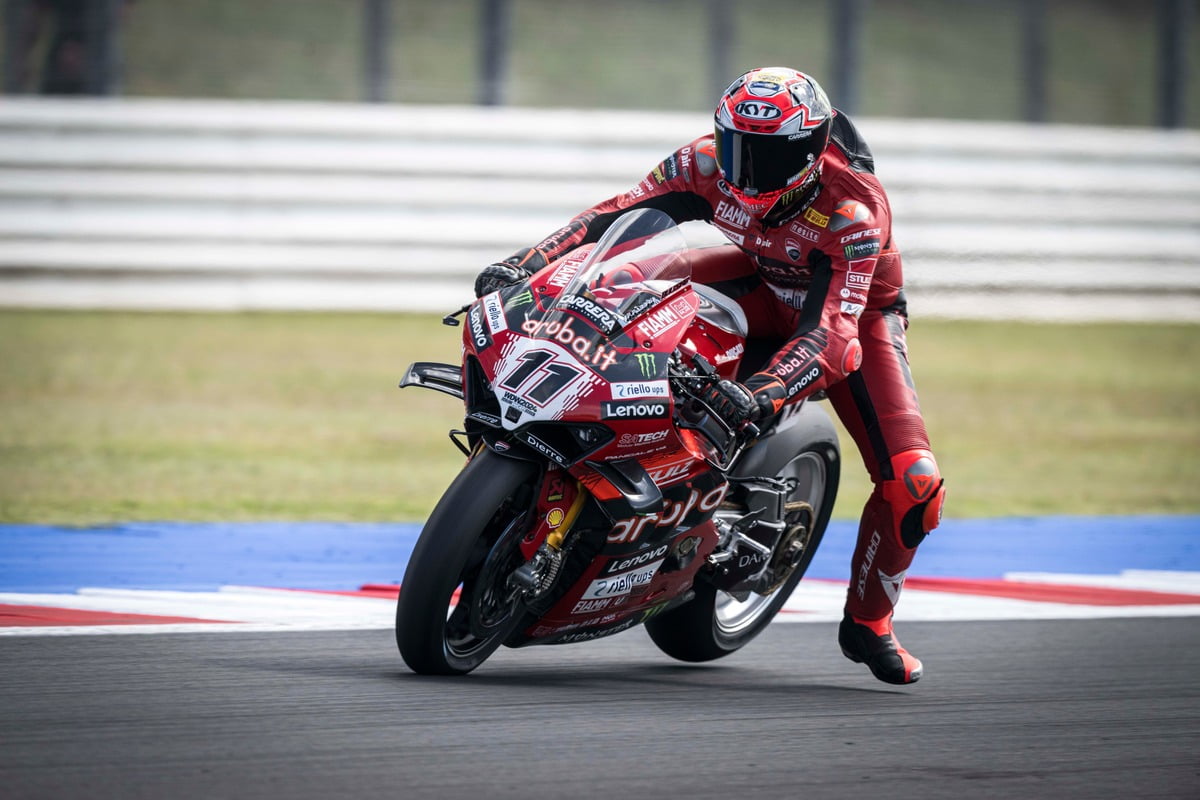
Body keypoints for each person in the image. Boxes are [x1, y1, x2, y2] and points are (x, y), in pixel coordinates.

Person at [474, 67, 945, 685]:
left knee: (915, 481)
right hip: (753, 278)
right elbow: (612, 220)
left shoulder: (852, 210)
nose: (743, 169)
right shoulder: (701, 165)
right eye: (734, 146)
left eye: (766, 154)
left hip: (851, 319)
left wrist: (762, 392)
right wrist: (526, 264)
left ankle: (870, 622)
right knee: (624, 282)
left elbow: (831, 335)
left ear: (807, 151)